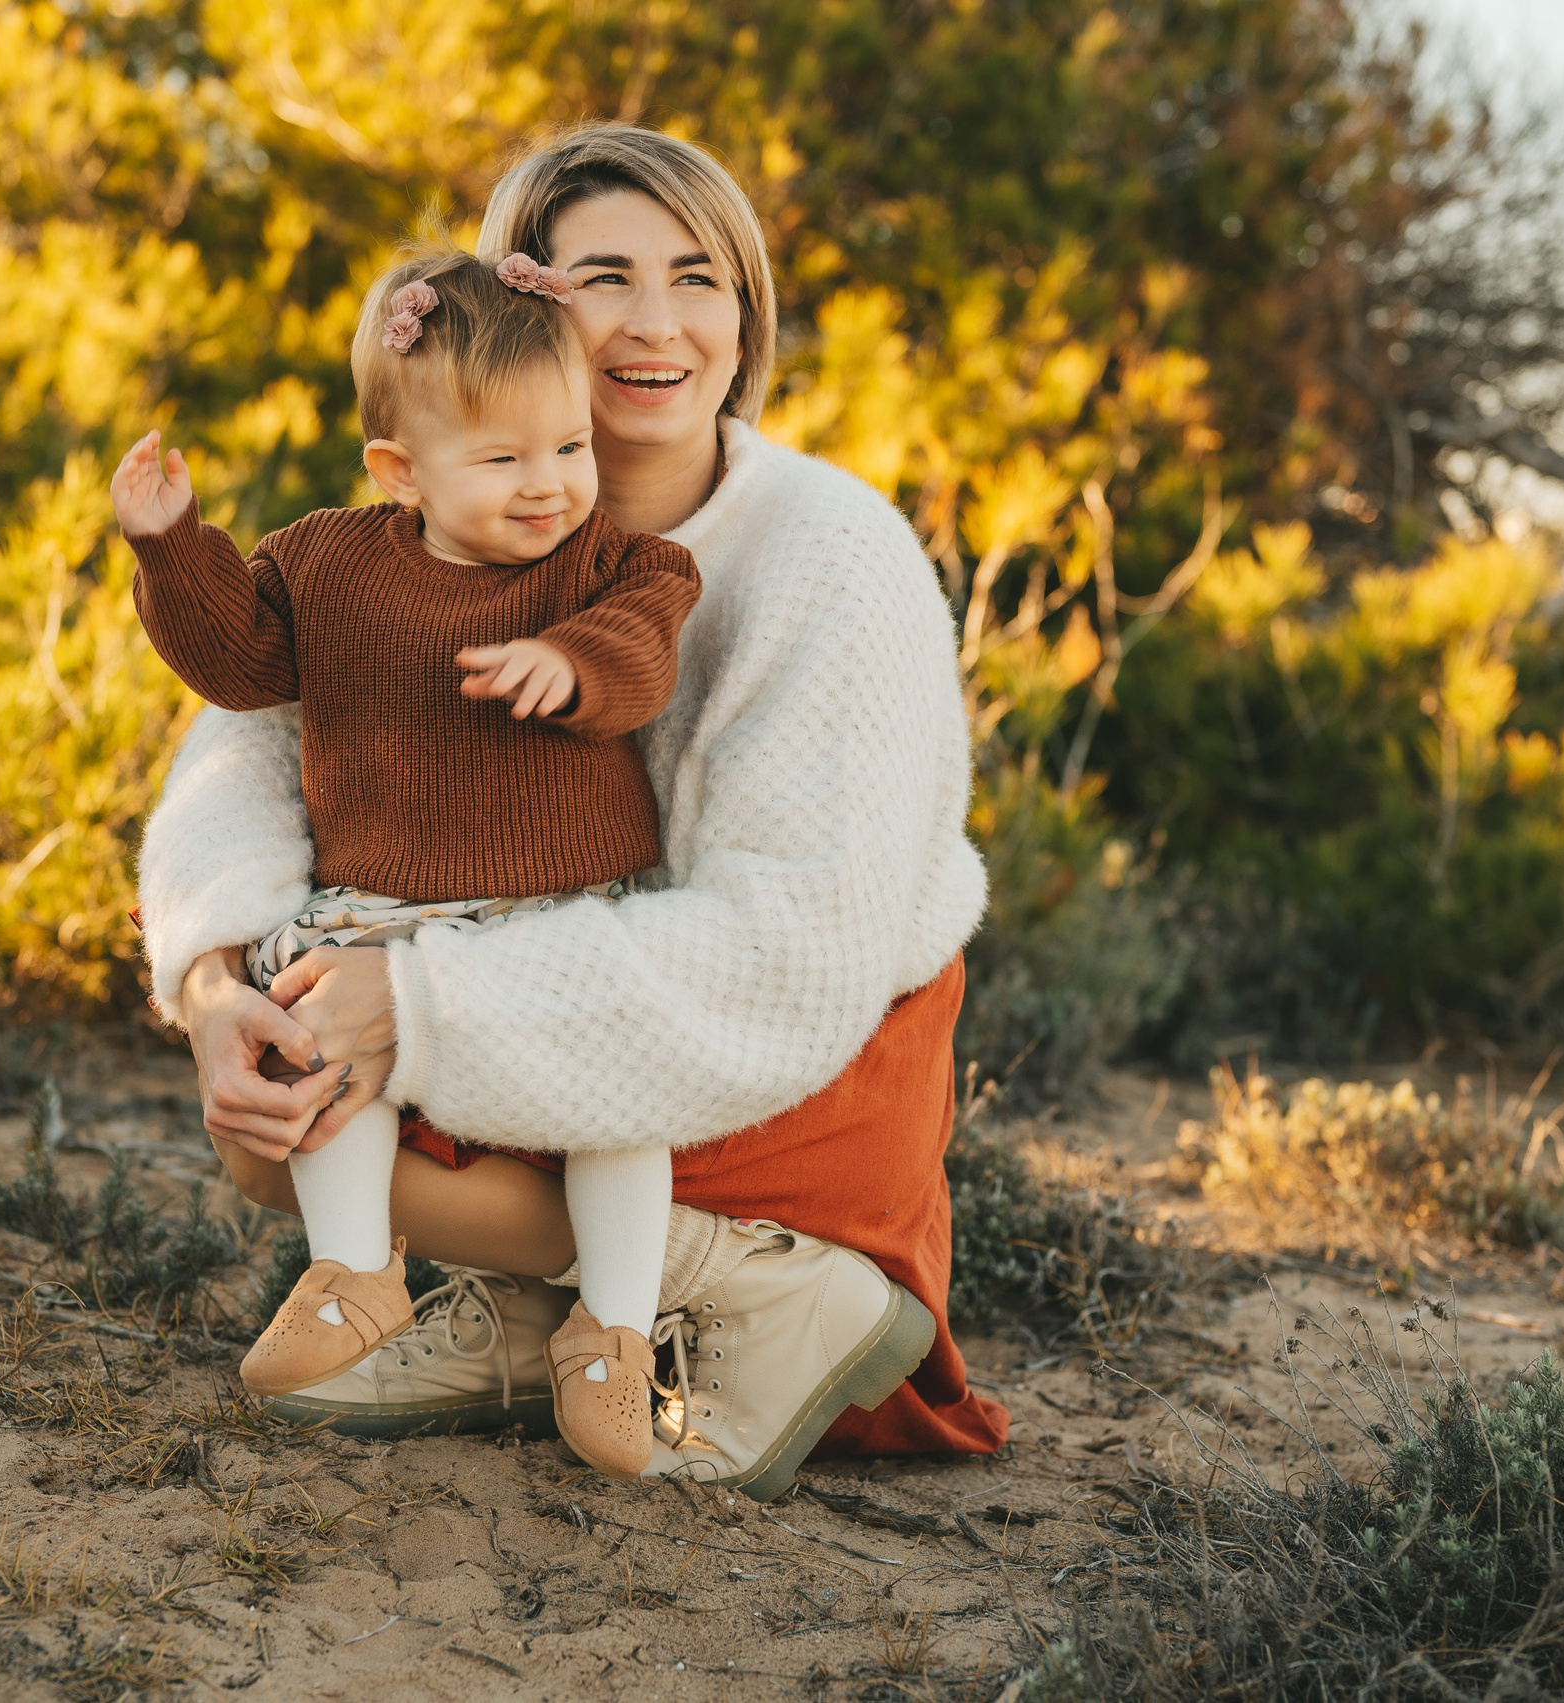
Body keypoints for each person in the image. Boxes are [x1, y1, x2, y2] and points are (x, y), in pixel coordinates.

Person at [137, 123, 1009, 1499]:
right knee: (274, 1109)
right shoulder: (432, 525)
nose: (657, 322)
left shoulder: (833, 553)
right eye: (607, 277)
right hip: (542, 976)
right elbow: (244, 752)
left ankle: (760, 1280)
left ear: (745, 316)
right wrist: (208, 981)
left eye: (700, 278)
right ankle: (550, 1309)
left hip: (791, 1065)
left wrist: (416, 1002)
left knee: (345, 1078)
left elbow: (792, 956)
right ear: (518, 305)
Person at [112, 249, 699, 1479]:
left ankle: (613, 1332)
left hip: (562, 912)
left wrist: (573, 664)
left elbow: (644, 645)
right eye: (503, 459)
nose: (549, 484)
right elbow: (241, 660)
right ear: (399, 470)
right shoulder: (328, 563)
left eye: (570, 447)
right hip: (379, 907)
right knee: (320, 1038)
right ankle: (353, 1270)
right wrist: (171, 548)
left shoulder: (612, 563)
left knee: (622, 1103)